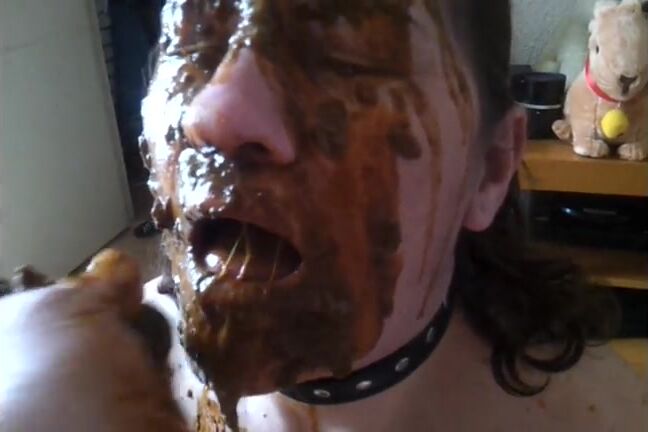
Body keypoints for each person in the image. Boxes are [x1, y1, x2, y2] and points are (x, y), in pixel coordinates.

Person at [1, 1, 645, 431]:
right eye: (193, 43)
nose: (211, 116)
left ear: (491, 168)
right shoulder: (87, 384)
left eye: (344, 55)